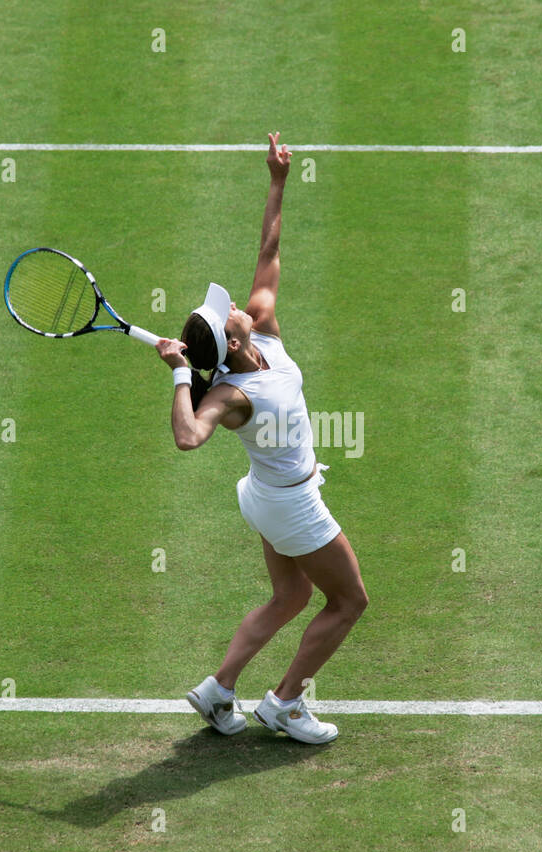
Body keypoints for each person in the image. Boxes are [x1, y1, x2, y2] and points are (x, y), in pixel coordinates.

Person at [154, 132, 367, 744]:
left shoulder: (257, 335)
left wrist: (278, 182)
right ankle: (286, 703)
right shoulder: (231, 395)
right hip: (292, 503)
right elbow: (189, 438)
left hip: (264, 494)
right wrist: (176, 375)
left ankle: (219, 690)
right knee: (350, 601)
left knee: (290, 595)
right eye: (231, 314)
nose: (241, 305)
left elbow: (269, 251)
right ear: (236, 342)